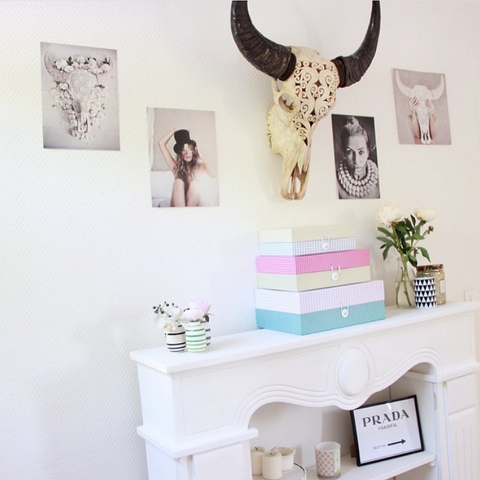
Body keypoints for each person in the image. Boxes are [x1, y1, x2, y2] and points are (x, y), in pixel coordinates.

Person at [158, 129, 217, 207]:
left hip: (194, 205)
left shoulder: (199, 165)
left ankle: (186, 215)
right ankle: (183, 214)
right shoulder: (176, 168)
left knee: (195, 184)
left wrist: (201, 157)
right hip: (179, 205)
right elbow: (161, 143)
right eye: (183, 150)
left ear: (193, 151)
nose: (187, 153)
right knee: (178, 181)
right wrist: (174, 130)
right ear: (180, 154)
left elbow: (215, 174)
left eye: (189, 149)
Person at [336, 116, 380, 199]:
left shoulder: (379, 181)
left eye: (361, 152)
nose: (356, 160)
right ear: (344, 153)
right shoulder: (336, 182)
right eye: (349, 152)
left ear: (368, 151)